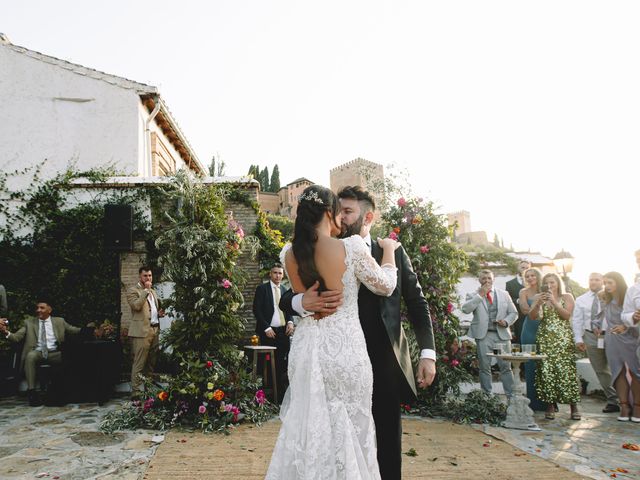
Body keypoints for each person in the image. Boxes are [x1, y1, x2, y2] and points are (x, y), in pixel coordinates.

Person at [278, 185, 436, 480]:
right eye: (340, 210)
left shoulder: (388, 251)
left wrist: (428, 353)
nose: (343, 217)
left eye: (349, 211)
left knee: (382, 439)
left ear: (368, 216)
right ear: (329, 212)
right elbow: (288, 297)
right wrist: (300, 302)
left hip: (380, 360)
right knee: (327, 430)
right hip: (345, 358)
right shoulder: (341, 248)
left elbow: (417, 303)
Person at [0, 299, 83, 406]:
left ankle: (68, 390)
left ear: (49, 310)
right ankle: (32, 393)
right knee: (30, 356)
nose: (38, 310)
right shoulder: (29, 323)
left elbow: (74, 330)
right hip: (37, 352)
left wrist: (91, 330)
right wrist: (5, 332)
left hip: (55, 353)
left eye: (42, 308)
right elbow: (16, 337)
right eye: (37, 308)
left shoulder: (59, 321)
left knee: (69, 356)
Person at [529, 272, 581, 420]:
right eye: (547, 283)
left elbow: (566, 315)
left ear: (558, 283)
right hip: (545, 338)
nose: (550, 285)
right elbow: (532, 317)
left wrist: (554, 301)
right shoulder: (539, 298)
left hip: (563, 338)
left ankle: (573, 405)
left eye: (553, 282)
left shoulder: (567, 297)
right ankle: (550, 405)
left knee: (567, 370)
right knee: (546, 370)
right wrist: (538, 303)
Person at [462, 269, 516, 398]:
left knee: (506, 367)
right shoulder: (472, 294)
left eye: (489, 278)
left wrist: (506, 322)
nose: (486, 281)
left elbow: (514, 313)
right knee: (484, 367)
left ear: (493, 279)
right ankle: (488, 397)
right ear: (479, 280)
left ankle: (511, 396)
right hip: (483, 335)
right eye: (483, 278)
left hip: (501, 334)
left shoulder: (504, 294)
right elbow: (465, 309)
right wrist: (480, 295)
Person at [572, 273, 619, 413]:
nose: (593, 282)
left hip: (611, 335)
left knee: (616, 368)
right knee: (600, 370)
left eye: (597, 279)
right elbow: (577, 320)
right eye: (591, 279)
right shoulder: (581, 299)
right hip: (590, 336)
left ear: (602, 282)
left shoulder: (612, 297)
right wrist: (579, 339)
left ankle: (626, 399)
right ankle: (613, 400)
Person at [600, 272, 640, 422]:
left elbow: (633, 317)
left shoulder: (629, 296)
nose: (607, 286)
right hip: (612, 339)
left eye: (610, 282)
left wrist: (625, 326)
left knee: (635, 371)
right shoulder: (605, 299)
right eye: (605, 283)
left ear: (619, 282)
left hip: (631, 337)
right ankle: (624, 406)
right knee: (617, 372)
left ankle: (637, 406)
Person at [252, 263, 294, 402]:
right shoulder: (262, 289)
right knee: (269, 364)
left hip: (283, 333)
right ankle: (269, 396)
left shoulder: (284, 290)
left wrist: (290, 322)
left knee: (283, 364)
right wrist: (266, 328)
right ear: (270, 274)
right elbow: (257, 310)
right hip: (268, 332)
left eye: (280, 273)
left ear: (283, 275)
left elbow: (289, 310)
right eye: (275, 273)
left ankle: (281, 395)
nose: (278, 276)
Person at [127, 266, 164, 396]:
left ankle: (148, 391)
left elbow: (152, 309)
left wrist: (158, 313)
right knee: (139, 364)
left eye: (150, 275)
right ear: (140, 277)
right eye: (145, 276)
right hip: (141, 332)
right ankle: (136, 393)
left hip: (154, 329)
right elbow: (136, 306)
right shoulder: (133, 290)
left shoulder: (153, 292)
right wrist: (146, 290)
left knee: (151, 364)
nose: (148, 278)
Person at [518, 267, 547, 411]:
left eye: (532, 275)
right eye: (527, 276)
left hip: (546, 330)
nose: (530, 278)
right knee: (530, 365)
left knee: (545, 365)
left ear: (538, 276)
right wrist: (535, 302)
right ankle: (533, 402)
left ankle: (549, 403)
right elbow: (524, 310)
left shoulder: (547, 290)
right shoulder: (523, 292)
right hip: (529, 329)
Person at [506, 260, 531, 343]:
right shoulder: (509, 284)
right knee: (520, 340)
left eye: (527, 268)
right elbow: (507, 300)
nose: (524, 269)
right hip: (518, 317)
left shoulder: (534, 283)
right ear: (518, 268)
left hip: (532, 316)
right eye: (522, 267)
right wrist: (517, 300)